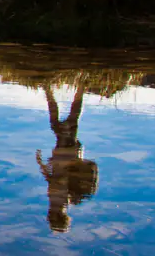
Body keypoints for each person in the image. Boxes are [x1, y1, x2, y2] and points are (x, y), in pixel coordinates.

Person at [36, 84, 99, 233]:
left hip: (69, 153)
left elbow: (53, 181)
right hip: (65, 153)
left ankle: (75, 89)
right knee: (65, 121)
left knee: (65, 122)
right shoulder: (60, 202)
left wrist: (43, 165)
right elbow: (56, 181)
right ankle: (73, 89)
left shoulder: (64, 202)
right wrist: (44, 165)